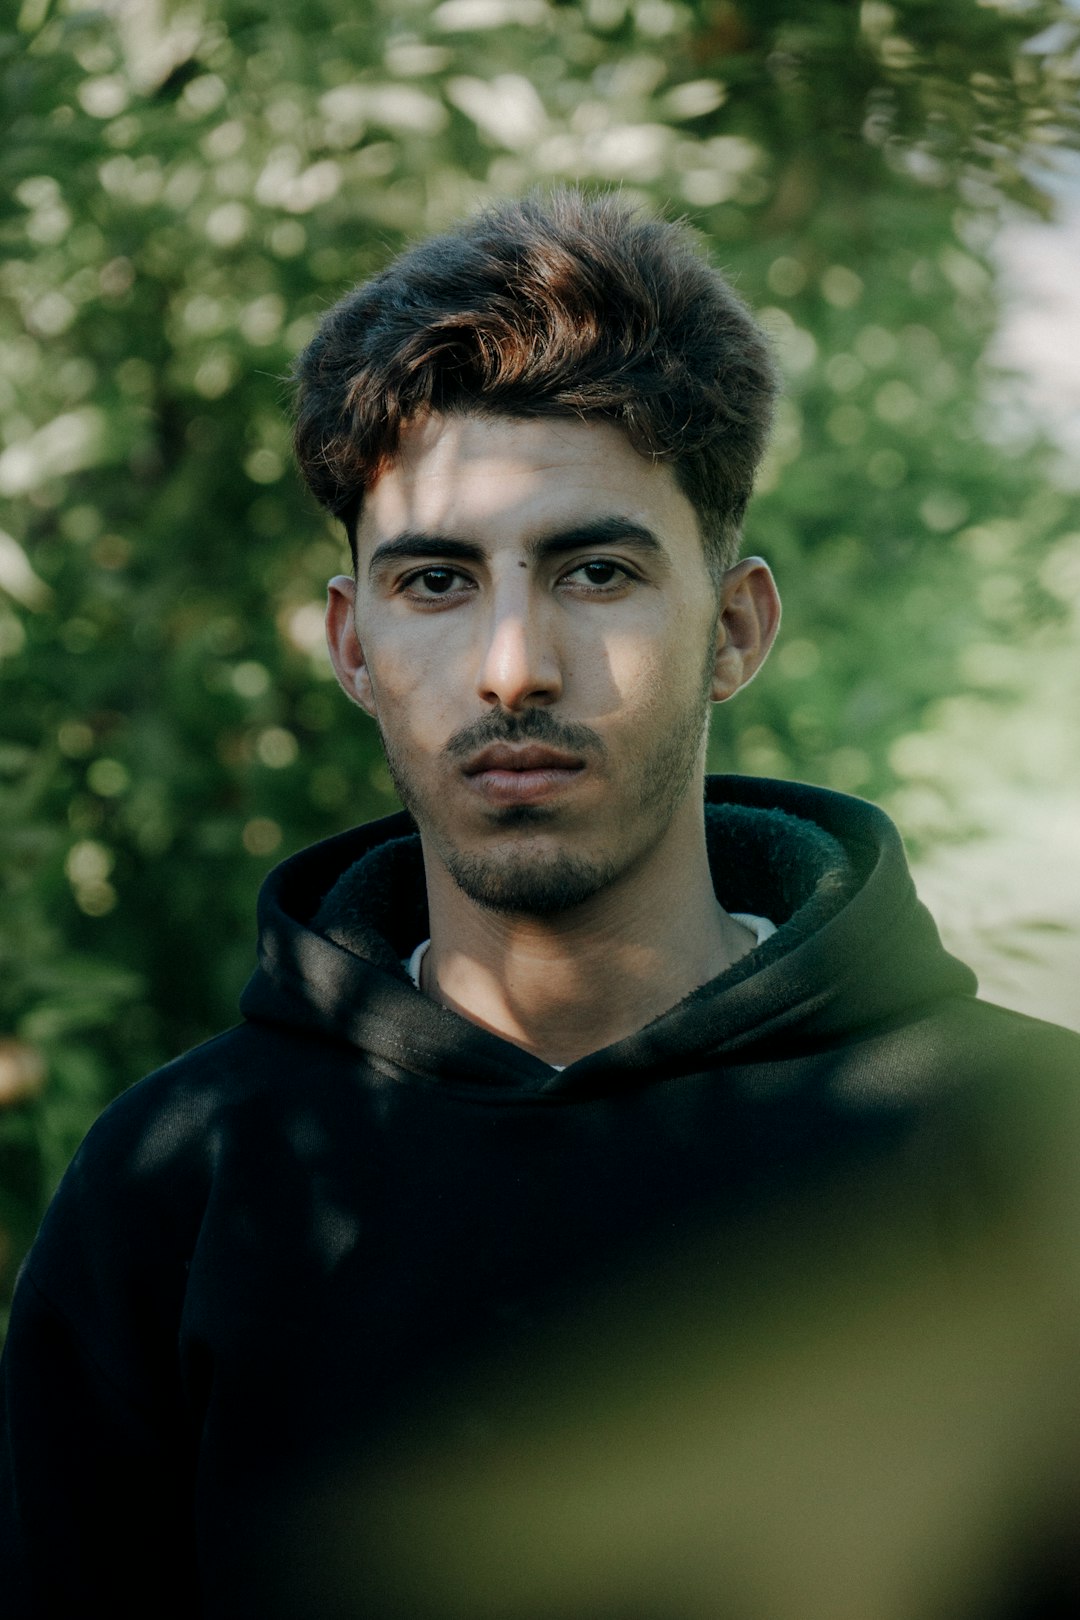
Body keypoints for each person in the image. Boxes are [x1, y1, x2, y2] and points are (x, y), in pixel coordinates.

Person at [2, 188, 1079, 1620]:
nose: (514, 666)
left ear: (735, 629)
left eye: (597, 571)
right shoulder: (179, 1189)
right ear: (353, 643)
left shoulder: (1032, 1147)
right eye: (437, 582)